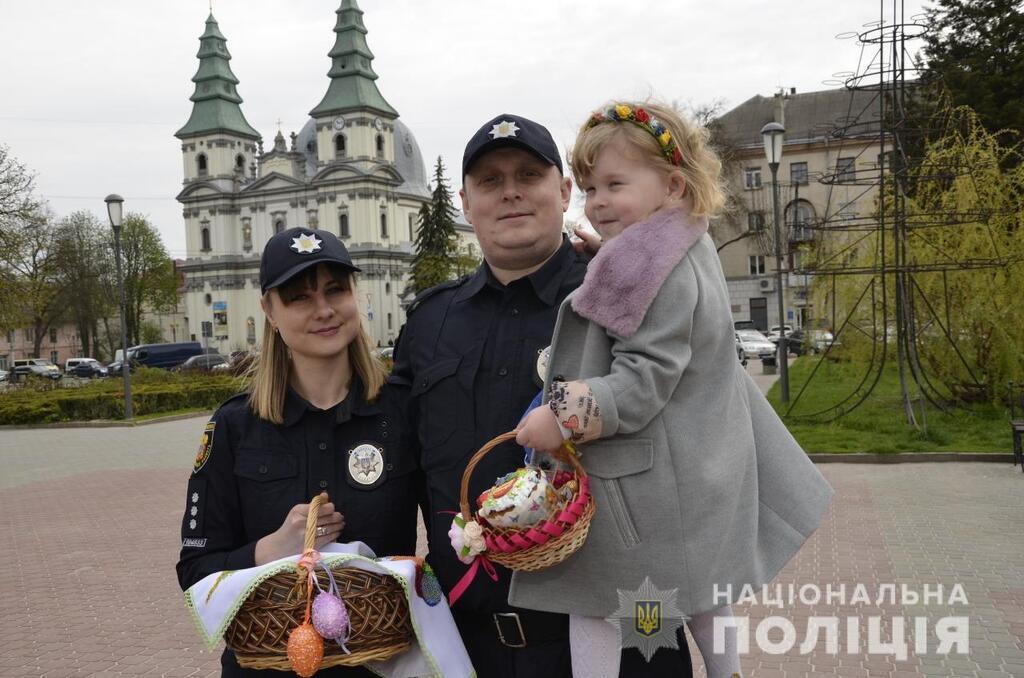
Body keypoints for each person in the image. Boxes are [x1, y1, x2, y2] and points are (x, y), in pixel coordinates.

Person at [513, 101, 835, 677]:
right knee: (705, 591)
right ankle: (726, 670)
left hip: (647, 483)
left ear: (673, 185)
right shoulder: (684, 243)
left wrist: (559, 414)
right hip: (693, 469)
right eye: (589, 188)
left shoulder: (649, 264)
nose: (600, 201)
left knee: (593, 604)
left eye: (615, 184)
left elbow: (642, 380)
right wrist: (610, 256)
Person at [390, 114, 693, 677]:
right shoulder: (429, 323)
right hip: (473, 646)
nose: (510, 192)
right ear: (465, 200)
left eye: (528, 174)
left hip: (627, 633)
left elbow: (695, 414)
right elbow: (400, 473)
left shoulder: (624, 292)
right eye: (489, 180)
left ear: (563, 191)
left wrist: (633, 264)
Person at [176, 227, 419, 676]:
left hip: (383, 666)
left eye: (335, 290)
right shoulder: (234, 427)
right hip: (267, 668)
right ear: (269, 310)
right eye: (300, 298)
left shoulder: (403, 411)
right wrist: (272, 548)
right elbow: (195, 572)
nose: (324, 310)